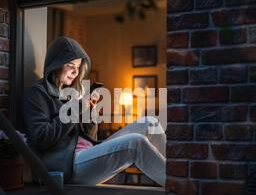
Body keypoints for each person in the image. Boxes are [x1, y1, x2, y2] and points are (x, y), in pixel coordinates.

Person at [23, 36, 166, 186]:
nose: (75, 72)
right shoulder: (36, 93)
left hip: (88, 154)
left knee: (151, 123)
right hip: (68, 165)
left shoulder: (70, 92)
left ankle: (178, 172)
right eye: (70, 66)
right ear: (55, 64)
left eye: (78, 67)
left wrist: (90, 111)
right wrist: (77, 109)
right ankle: (179, 188)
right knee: (136, 142)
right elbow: (41, 139)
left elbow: (91, 136)